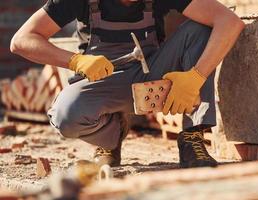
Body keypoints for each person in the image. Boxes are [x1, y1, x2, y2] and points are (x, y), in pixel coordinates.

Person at [10, 0, 244, 168]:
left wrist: (196, 77)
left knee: (202, 27)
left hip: (152, 74)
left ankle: (192, 136)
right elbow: (21, 40)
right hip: (102, 81)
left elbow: (229, 21)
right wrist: (75, 60)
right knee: (66, 116)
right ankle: (111, 137)